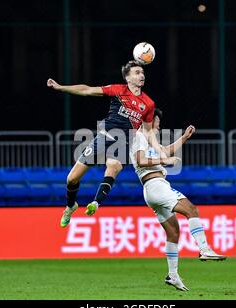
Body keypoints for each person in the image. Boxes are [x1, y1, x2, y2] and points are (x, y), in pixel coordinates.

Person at [47, 61, 167, 228]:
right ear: (128, 78)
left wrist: (159, 151)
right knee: (72, 179)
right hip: (104, 136)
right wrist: (61, 87)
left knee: (114, 167)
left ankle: (96, 203)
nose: (142, 75)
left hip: (123, 141)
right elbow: (87, 90)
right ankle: (70, 206)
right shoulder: (118, 90)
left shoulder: (148, 103)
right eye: (137, 72)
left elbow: (148, 132)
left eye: (142, 72)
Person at [130, 108, 226, 292]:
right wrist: (165, 162)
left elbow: (165, 151)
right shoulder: (140, 136)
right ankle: (204, 249)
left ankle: (173, 275)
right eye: (156, 121)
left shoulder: (148, 139)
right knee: (191, 209)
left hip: (153, 188)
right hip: (155, 185)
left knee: (173, 232)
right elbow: (141, 160)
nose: (158, 125)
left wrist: (184, 138)